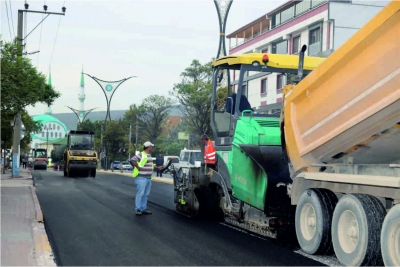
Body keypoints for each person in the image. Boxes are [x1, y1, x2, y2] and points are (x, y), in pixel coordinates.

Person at [130, 141, 155, 216]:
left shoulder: (149, 155)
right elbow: (132, 160)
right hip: (141, 178)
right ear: (148, 147)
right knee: (140, 194)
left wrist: (157, 167)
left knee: (145, 194)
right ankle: (138, 209)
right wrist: (138, 167)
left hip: (148, 178)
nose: (152, 148)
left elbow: (150, 165)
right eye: (151, 147)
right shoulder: (141, 154)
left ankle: (143, 208)